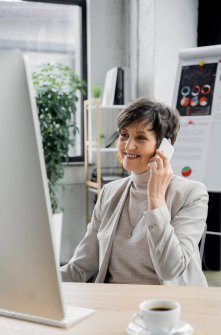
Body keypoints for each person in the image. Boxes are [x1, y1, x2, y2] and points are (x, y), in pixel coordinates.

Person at [61, 97, 208, 286]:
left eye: (140, 137)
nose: (128, 146)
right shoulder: (109, 192)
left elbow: (170, 269)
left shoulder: (191, 194)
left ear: (164, 147)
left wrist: (155, 199)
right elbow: (81, 267)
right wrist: (39, 282)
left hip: (165, 309)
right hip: (113, 306)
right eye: (124, 135)